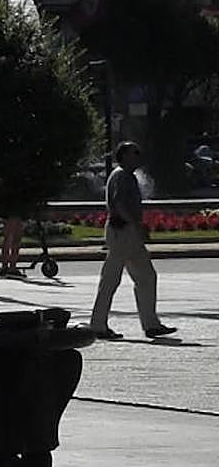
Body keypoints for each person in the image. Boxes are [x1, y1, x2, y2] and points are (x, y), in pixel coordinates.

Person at [89, 141, 176, 340]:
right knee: (111, 281)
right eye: (134, 153)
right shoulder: (121, 176)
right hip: (122, 231)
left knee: (146, 277)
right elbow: (118, 204)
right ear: (124, 156)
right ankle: (98, 325)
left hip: (129, 232)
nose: (138, 156)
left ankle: (151, 324)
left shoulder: (127, 176)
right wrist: (135, 225)